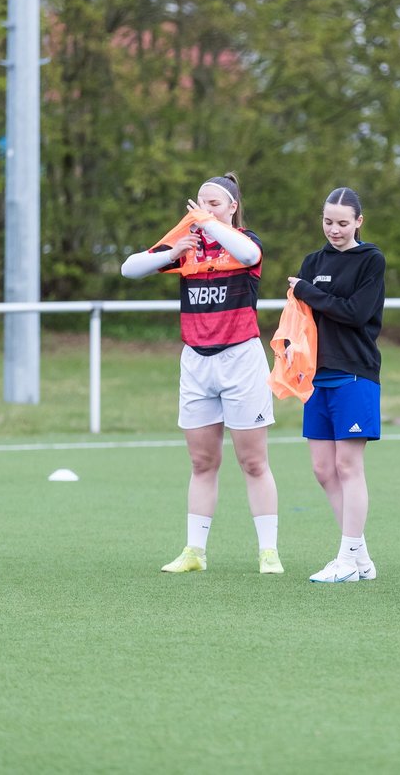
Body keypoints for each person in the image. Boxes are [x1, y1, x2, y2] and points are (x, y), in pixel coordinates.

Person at [121, 174, 282, 575]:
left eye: (215, 203)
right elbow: (129, 268)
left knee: (253, 462)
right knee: (202, 461)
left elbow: (246, 255)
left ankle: (268, 552)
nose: (205, 209)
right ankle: (195, 551)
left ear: (231, 208)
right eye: (201, 203)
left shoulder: (245, 240)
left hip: (240, 360)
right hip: (196, 361)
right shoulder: (188, 246)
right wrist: (172, 250)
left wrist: (210, 224)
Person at [289, 186, 386, 584]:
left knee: (348, 465)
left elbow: (355, 313)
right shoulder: (313, 261)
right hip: (317, 376)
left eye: (343, 223)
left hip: (355, 373)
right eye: (328, 221)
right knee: (322, 469)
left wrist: (307, 290)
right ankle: (359, 556)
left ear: (359, 222)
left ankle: (345, 557)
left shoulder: (371, 260)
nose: (334, 229)